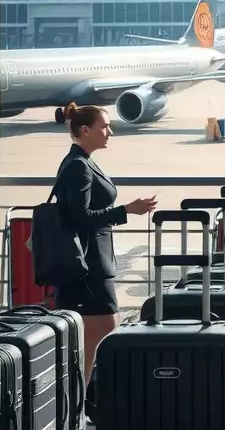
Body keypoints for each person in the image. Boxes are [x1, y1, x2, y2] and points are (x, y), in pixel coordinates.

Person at [54, 103, 157, 386]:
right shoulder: (78, 166)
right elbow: (81, 217)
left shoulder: (81, 160)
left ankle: (78, 400)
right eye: (104, 126)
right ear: (85, 130)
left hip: (91, 262)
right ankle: (77, 400)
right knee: (102, 330)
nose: (109, 131)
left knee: (95, 333)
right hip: (87, 265)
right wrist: (126, 210)